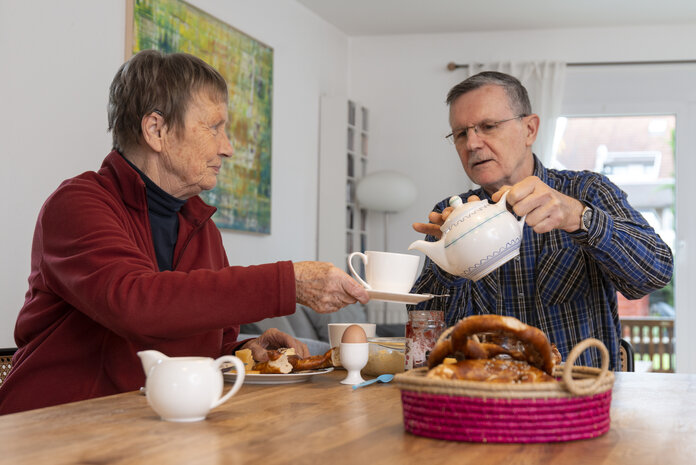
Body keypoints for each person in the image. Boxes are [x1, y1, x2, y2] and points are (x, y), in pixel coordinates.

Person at [0, 50, 369, 414]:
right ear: (156, 129)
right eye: (213, 127)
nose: (228, 148)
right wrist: (288, 281)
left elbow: (207, 344)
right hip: (51, 427)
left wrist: (246, 349)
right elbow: (137, 305)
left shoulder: (202, 227)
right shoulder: (77, 204)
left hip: (147, 428)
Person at [410, 71, 673, 369]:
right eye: (461, 133)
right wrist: (451, 262)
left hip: (577, 400)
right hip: (486, 399)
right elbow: (424, 334)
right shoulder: (450, 217)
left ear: (530, 129)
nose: (472, 144)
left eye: (488, 126)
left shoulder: (587, 191)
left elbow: (656, 273)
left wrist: (579, 217)